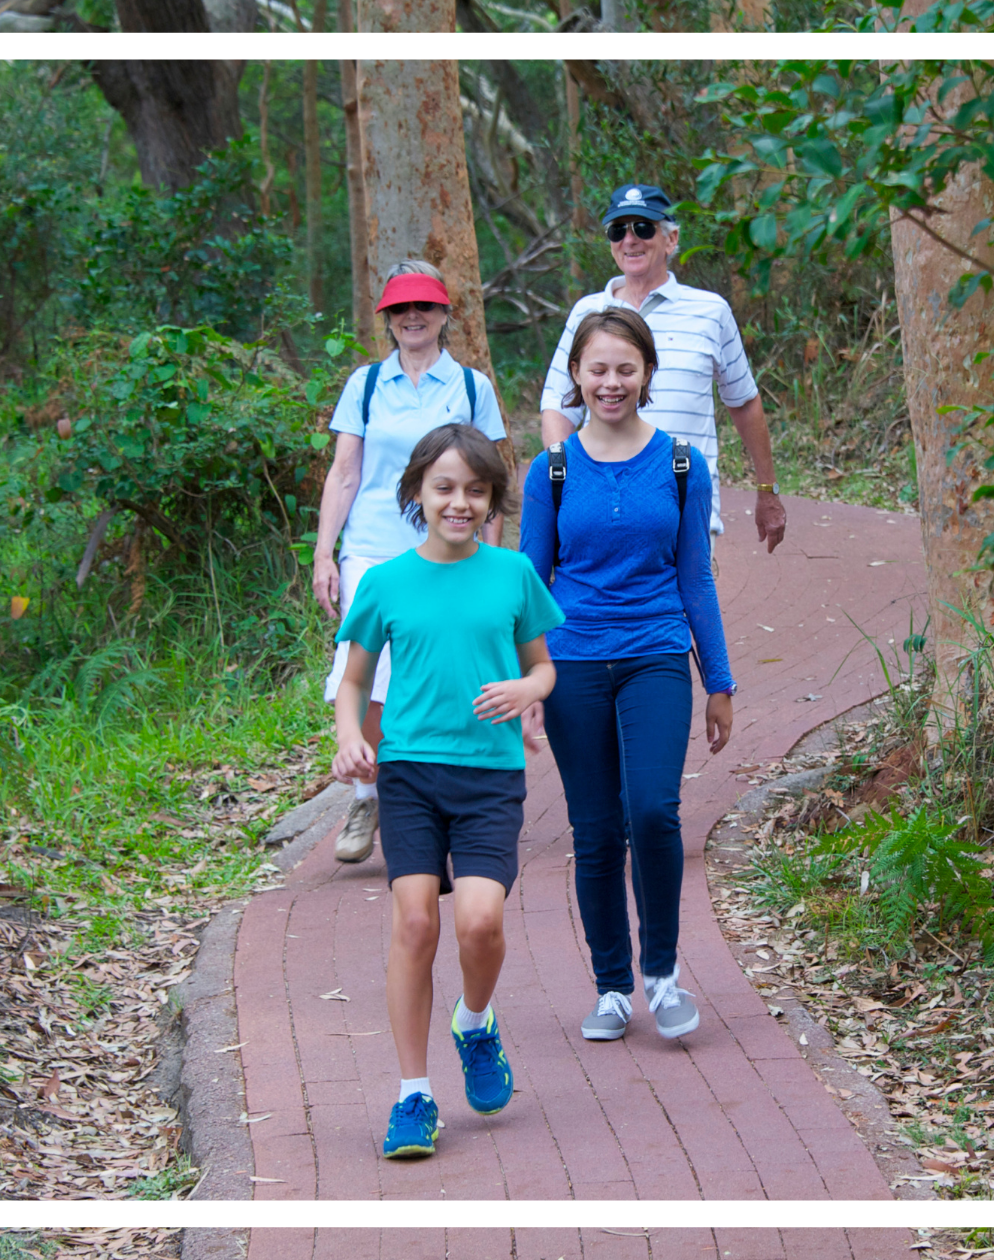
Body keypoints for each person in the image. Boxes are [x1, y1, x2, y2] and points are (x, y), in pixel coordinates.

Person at [331, 423, 562, 1159]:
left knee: (481, 924)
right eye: (444, 488)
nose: (459, 503)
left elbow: (544, 668)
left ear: (492, 500)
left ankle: (474, 1021)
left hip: (490, 778)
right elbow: (356, 680)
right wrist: (349, 736)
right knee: (415, 926)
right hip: (410, 776)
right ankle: (413, 1096)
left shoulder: (513, 574)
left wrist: (525, 688)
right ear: (416, 494)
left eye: (475, 490)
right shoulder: (386, 582)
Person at [520, 307, 735, 1042]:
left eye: (624, 368)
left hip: (655, 655)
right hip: (574, 661)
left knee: (652, 809)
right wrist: (528, 685)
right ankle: (612, 986)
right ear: (576, 378)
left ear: (646, 373)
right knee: (596, 827)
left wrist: (721, 683)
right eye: (597, 369)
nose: (611, 383)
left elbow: (696, 578)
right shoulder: (549, 471)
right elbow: (531, 586)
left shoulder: (680, 464)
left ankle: (663, 975)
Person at [311, 261, 508, 866]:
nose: (412, 317)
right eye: (399, 309)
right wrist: (325, 552)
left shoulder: (470, 386)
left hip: (451, 549)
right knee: (366, 676)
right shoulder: (366, 385)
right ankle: (368, 795)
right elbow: (345, 473)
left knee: (447, 673)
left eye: (424, 306)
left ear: (446, 314)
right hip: (372, 548)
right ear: (388, 320)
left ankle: (442, 798)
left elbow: (495, 476)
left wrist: (493, 561)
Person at [538, 182, 788, 554]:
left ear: (671, 239)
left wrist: (767, 489)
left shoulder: (710, 311)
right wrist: (569, 485)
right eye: (618, 229)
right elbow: (559, 406)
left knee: (687, 611)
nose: (630, 240)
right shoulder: (586, 313)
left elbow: (744, 402)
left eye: (643, 228)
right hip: (603, 506)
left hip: (684, 508)